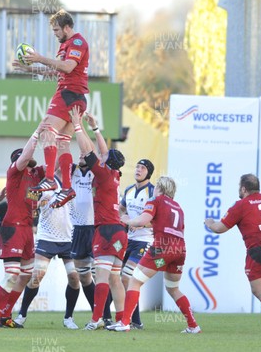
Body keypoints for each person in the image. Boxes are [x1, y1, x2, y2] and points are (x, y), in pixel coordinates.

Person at [16, 9, 90, 209]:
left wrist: (39, 57)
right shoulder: (66, 44)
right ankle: (66, 187)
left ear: (67, 27)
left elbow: (67, 67)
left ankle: (49, 178)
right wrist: (29, 68)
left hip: (69, 94)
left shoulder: (77, 42)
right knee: (63, 142)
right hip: (75, 96)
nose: (55, 33)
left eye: (57, 29)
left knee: (47, 130)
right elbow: (55, 69)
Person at [205, 174, 261, 335]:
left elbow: (219, 228)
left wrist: (210, 223)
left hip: (259, 251)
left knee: (258, 290)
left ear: (243, 188)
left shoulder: (241, 205)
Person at [111, 176, 201, 333]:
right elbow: (172, 228)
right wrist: (145, 225)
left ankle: (125, 323)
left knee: (134, 281)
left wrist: (126, 219)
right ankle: (193, 326)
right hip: (178, 251)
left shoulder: (155, 201)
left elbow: (141, 220)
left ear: (160, 188)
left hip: (162, 249)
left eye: (157, 187)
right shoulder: (178, 207)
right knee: (173, 288)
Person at [70, 107, 127, 330]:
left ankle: (95, 321)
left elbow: (88, 149)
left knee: (101, 278)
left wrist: (77, 125)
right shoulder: (114, 173)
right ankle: (122, 320)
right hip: (119, 232)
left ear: (106, 162)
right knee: (115, 278)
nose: (101, 156)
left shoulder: (102, 174)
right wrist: (94, 127)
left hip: (106, 231)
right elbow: (102, 152)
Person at [0, 122, 48, 328]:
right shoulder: (14, 172)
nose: (30, 158)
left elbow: (55, 165)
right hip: (12, 228)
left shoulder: (34, 175)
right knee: (12, 275)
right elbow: (25, 156)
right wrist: (38, 133)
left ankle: (5, 316)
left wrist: (59, 138)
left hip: (26, 230)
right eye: (24, 156)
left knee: (25, 277)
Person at [14, 175, 81, 329]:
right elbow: (30, 200)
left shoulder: (77, 184)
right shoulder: (47, 182)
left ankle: (68, 318)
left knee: (74, 277)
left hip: (69, 238)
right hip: (47, 237)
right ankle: (22, 315)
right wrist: (37, 203)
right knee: (37, 276)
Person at [118, 159, 155, 329]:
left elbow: (157, 220)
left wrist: (138, 223)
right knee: (118, 278)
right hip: (128, 240)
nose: (138, 170)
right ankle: (130, 319)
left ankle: (134, 320)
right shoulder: (128, 190)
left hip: (144, 240)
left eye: (142, 168)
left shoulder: (153, 192)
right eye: (137, 167)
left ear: (149, 172)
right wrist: (125, 220)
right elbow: (121, 210)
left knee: (127, 277)